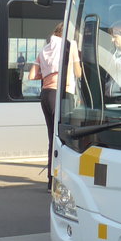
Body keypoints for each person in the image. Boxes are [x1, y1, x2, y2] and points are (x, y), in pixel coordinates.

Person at [29, 23, 81, 188]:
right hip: (63, 95)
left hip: (46, 95)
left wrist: (48, 73)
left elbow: (32, 75)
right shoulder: (70, 45)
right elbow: (78, 73)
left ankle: (51, 180)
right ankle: (64, 180)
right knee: (66, 138)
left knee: (53, 138)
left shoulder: (45, 49)